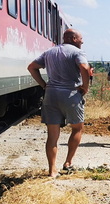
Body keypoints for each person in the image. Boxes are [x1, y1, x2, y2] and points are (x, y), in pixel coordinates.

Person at [27, 29, 91, 177]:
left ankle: (52, 170)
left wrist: (44, 85)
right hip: (71, 94)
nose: (82, 41)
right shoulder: (77, 52)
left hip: (51, 95)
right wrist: (85, 87)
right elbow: (84, 68)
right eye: (81, 38)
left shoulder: (49, 52)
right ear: (74, 38)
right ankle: (68, 162)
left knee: (52, 135)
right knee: (77, 128)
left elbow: (31, 67)